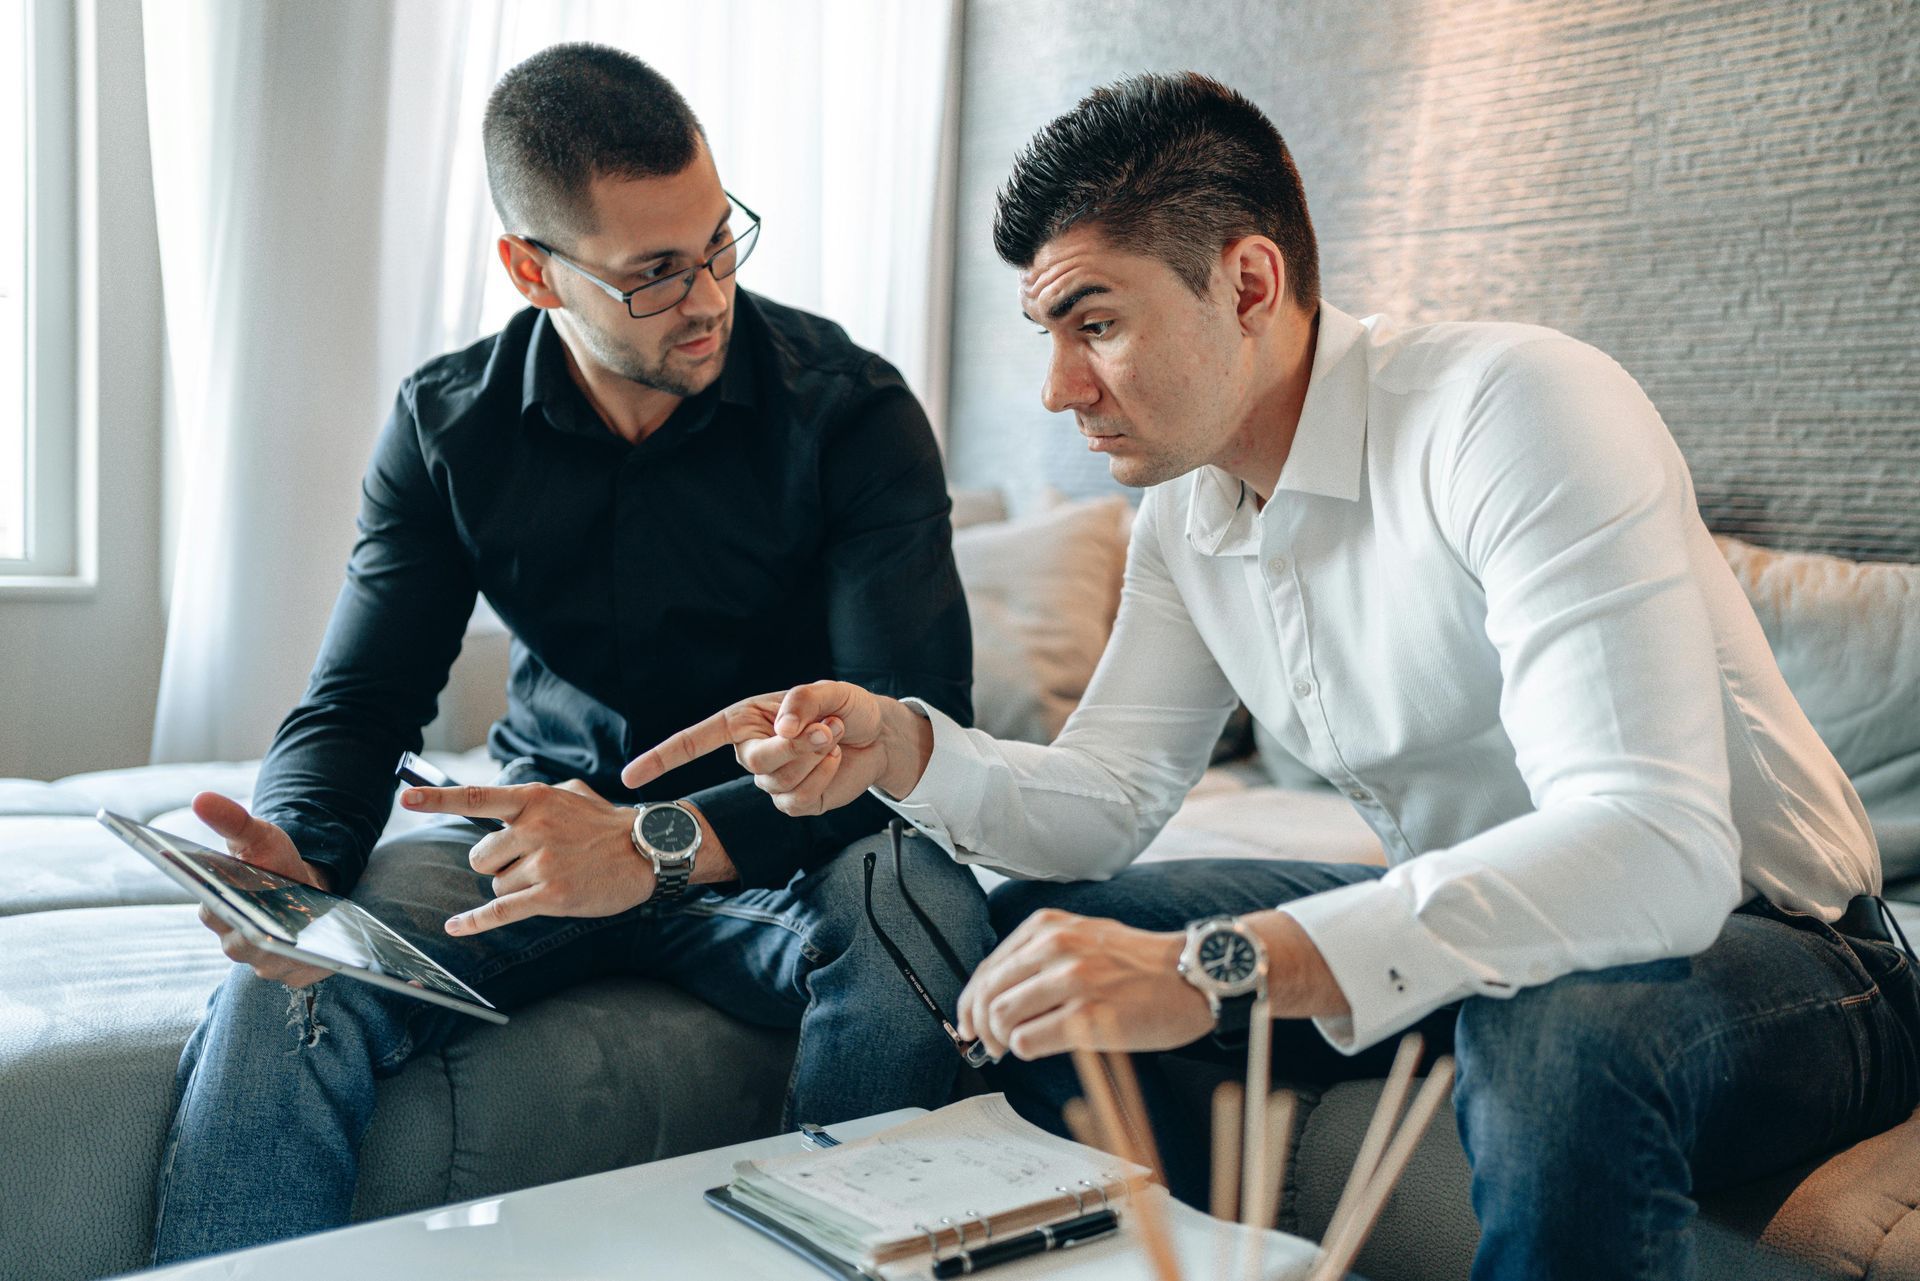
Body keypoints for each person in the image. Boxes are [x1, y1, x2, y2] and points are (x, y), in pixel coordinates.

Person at [622, 72, 1920, 1280]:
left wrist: (1217, 967)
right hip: (1474, 917)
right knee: (1048, 954)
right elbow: (1108, 795)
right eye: (1048, 332)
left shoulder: (1513, 408)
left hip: (1782, 947)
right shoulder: (1188, 514)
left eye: (1096, 322)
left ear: (1248, 281)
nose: (1060, 387)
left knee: (1558, 1029)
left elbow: (1653, 847)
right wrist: (903, 747)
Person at [152, 44, 992, 1265]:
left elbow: (913, 729)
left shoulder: (851, 413)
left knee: (922, 904)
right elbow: (363, 698)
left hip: (781, 845)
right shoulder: (451, 427)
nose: (709, 296)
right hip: (531, 836)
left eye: (719, 243)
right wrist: (302, 856)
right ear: (532, 270)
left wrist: (654, 847)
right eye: (655, 273)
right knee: (291, 982)